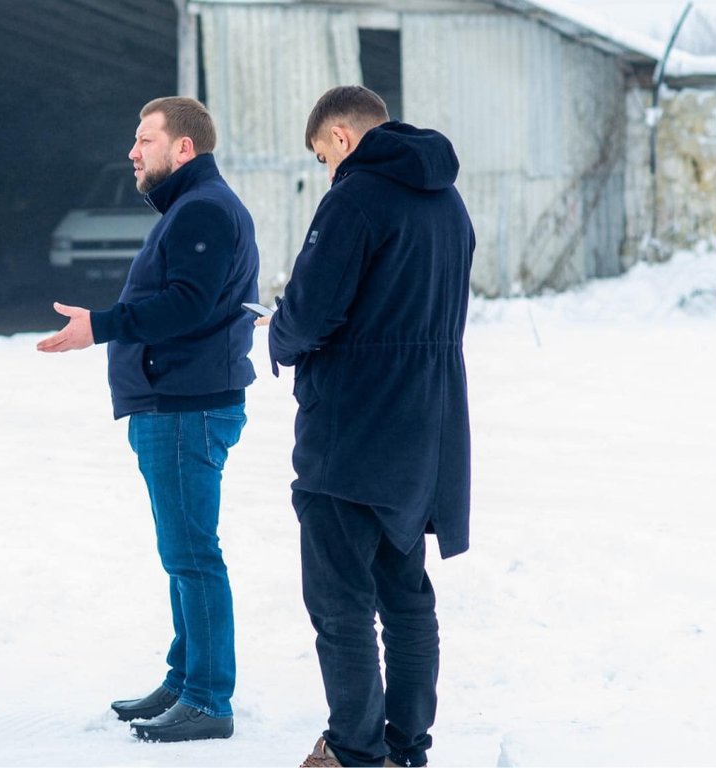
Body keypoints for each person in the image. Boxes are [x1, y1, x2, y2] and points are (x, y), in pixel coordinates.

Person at [37, 96, 259, 743]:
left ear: (182, 148)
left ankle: (208, 699)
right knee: (181, 552)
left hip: (188, 407)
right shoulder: (192, 210)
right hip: (174, 403)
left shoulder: (206, 211)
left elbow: (186, 307)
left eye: (145, 140)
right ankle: (184, 676)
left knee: (193, 555)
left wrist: (100, 327)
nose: (132, 152)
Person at [266, 85, 474, 768]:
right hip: (427, 430)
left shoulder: (354, 198)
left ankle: (355, 751)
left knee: (341, 601)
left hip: (353, 428)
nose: (328, 172)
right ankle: (406, 746)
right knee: (406, 596)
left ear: (342, 137)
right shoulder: (449, 202)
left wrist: (282, 334)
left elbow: (313, 309)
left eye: (325, 155)